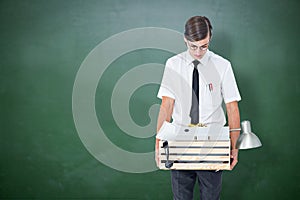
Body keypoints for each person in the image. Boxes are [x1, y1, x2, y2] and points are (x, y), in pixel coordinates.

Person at [156, 16, 241, 200]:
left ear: (210, 38)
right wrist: (158, 144)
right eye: (193, 46)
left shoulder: (223, 65)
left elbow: (232, 107)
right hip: (179, 141)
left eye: (204, 46)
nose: (198, 52)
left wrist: (234, 147)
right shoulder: (173, 64)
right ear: (185, 39)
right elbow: (166, 105)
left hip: (213, 142)